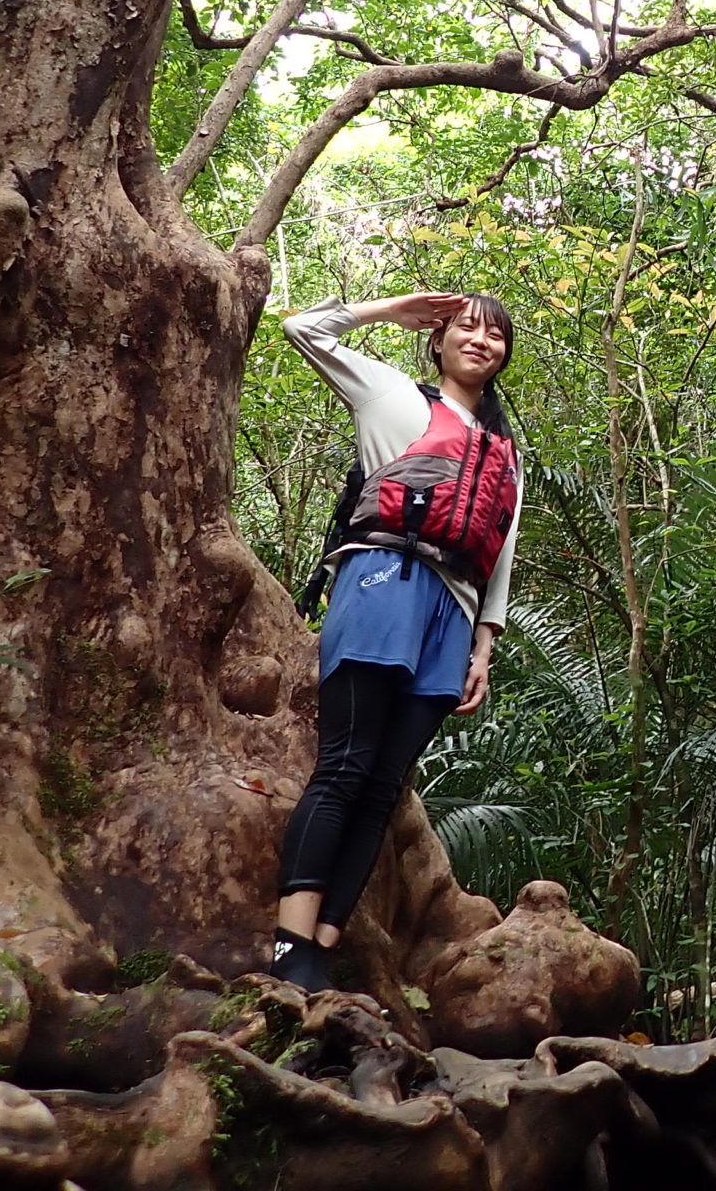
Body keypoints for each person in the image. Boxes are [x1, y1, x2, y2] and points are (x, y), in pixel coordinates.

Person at [266, 289, 521, 992]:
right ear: (437, 341)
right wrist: (392, 308)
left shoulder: (504, 452)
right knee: (345, 766)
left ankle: (326, 941)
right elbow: (301, 328)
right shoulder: (391, 397)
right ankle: (291, 948)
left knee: (382, 788)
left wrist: (484, 647)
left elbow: (501, 555)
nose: (480, 341)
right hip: (383, 576)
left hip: (453, 612)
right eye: (466, 328)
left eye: (495, 335)